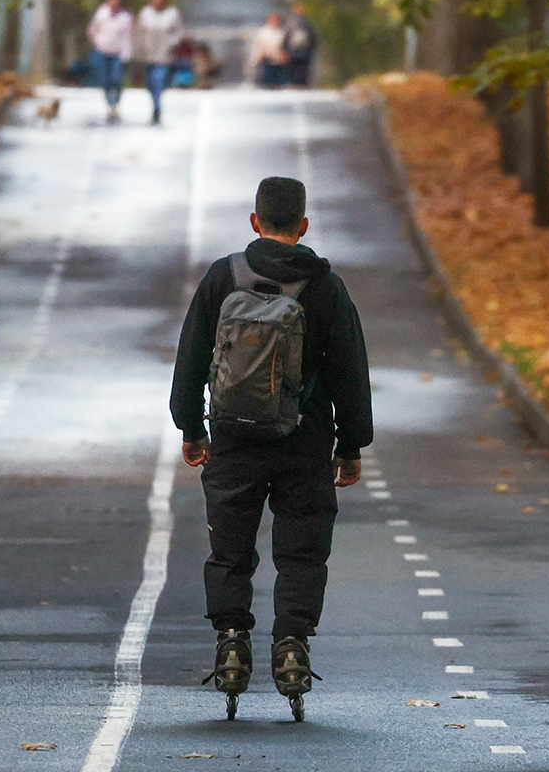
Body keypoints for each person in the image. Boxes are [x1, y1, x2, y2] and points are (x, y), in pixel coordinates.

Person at [170, 177, 373, 716]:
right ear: (303, 226)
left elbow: (192, 355)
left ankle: (232, 643)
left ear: (255, 221)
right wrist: (351, 444)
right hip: (304, 440)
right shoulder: (326, 288)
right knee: (302, 549)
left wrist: (191, 427)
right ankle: (291, 646)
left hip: (233, 438)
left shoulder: (223, 277)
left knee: (230, 549)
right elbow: (351, 369)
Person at [135, 0, 185, 124]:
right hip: (148, 55)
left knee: (159, 80)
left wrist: (170, 43)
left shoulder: (172, 14)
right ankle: (155, 102)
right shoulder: (146, 13)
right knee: (150, 84)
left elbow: (178, 33)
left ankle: (157, 107)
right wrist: (138, 51)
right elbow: (139, 33)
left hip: (163, 56)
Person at [87, 0, 132, 123]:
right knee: (104, 80)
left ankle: (116, 102)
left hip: (117, 54)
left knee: (116, 79)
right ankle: (110, 104)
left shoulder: (125, 18)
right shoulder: (101, 14)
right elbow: (92, 30)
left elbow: (126, 37)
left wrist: (126, 54)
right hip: (102, 52)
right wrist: (98, 42)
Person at [247, 12, 288, 88]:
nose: (275, 22)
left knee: (278, 85)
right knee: (266, 84)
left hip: (279, 63)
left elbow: (285, 47)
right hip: (266, 62)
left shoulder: (282, 33)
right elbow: (257, 48)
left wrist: (283, 57)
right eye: (273, 20)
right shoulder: (263, 33)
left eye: (276, 20)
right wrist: (254, 61)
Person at [283, 4, 317, 88]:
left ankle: (301, 85)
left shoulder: (306, 23)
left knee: (302, 70)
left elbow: (312, 37)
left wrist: (311, 49)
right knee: (294, 70)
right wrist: (285, 50)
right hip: (293, 51)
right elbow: (286, 37)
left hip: (304, 52)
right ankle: (295, 85)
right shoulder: (290, 23)